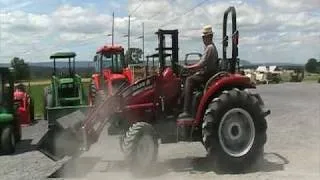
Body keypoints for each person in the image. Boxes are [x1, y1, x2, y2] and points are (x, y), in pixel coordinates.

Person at [178, 25, 219, 119]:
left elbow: (201, 64)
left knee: (189, 80)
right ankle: (182, 104)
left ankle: (186, 111)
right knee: (188, 78)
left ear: (209, 37)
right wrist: (191, 69)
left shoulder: (210, 48)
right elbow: (201, 63)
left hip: (208, 75)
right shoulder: (209, 47)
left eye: (204, 37)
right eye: (203, 37)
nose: (203, 39)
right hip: (207, 73)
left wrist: (188, 67)